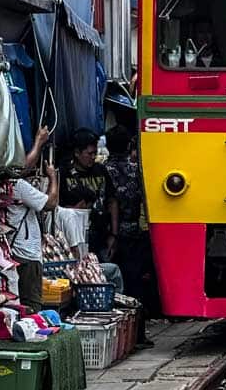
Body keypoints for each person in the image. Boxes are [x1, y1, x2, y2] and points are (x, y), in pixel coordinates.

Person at [109, 135, 157, 338]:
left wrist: (112, 232)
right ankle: (138, 334)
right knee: (135, 284)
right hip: (135, 231)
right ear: (129, 146)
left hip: (111, 233)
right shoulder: (136, 170)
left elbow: (111, 201)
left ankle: (119, 333)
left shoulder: (105, 170)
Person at [8, 125, 58, 312]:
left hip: (15, 251)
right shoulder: (17, 185)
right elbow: (51, 203)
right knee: (31, 305)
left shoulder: (10, 184)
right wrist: (53, 177)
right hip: (27, 255)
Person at [53, 184, 124, 294]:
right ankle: (118, 299)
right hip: (76, 270)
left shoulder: (59, 212)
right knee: (114, 270)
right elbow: (74, 249)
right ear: (82, 203)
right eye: (89, 206)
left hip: (65, 267)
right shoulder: (71, 216)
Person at [61, 134, 118, 262]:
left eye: (95, 153)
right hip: (75, 238)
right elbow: (57, 207)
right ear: (77, 153)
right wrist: (74, 210)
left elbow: (112, 201)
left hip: (101, 236)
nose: (93, 157)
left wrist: (114, 235)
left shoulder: (101, 170)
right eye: (89, 154)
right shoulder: (64, 173)